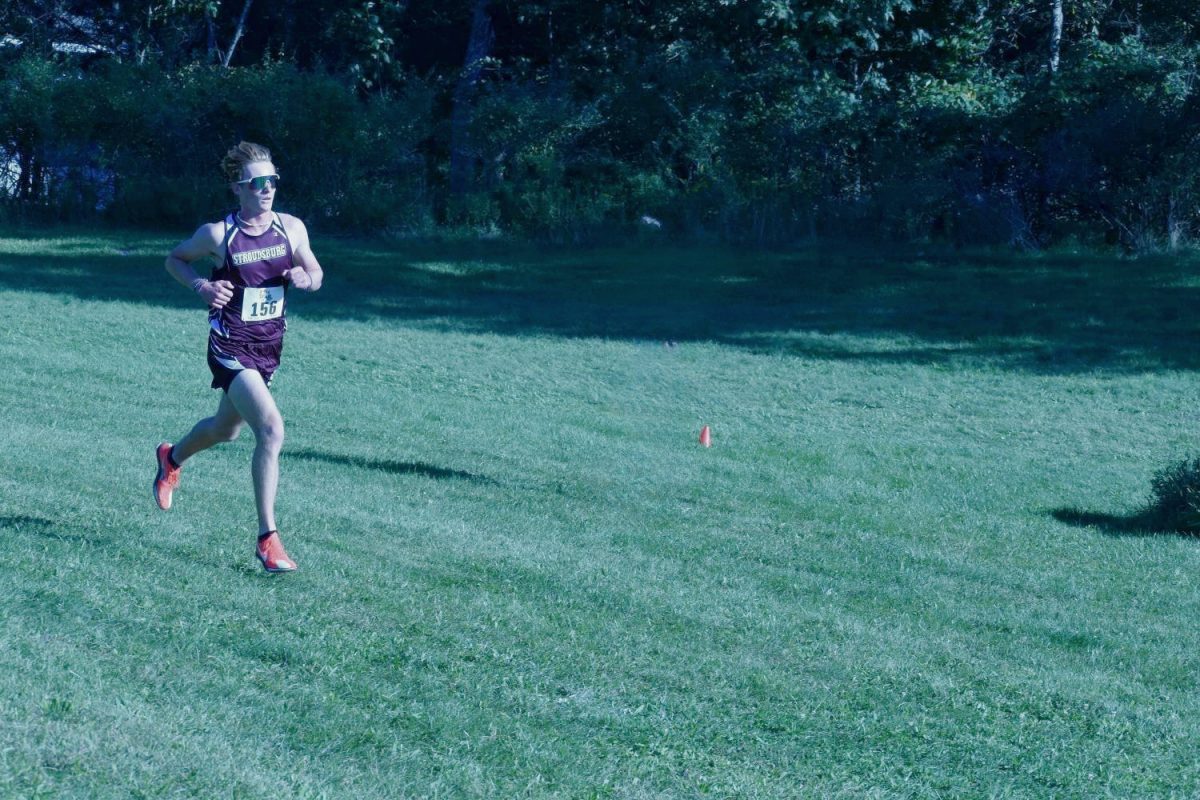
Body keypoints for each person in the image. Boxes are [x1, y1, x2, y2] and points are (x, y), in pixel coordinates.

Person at [153, 141, 323, 573]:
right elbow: (175, 260)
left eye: (272, 181)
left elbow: (315, 272)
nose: (267, 190)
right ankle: (268, 540)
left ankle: (171, 458)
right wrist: (202, 288)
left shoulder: (291, 228)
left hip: (269, 346)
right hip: (230, 345)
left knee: (225, 430)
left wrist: (306, 277)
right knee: (270, 429)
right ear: (238, 188)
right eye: (257, 183)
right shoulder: (219, 234)